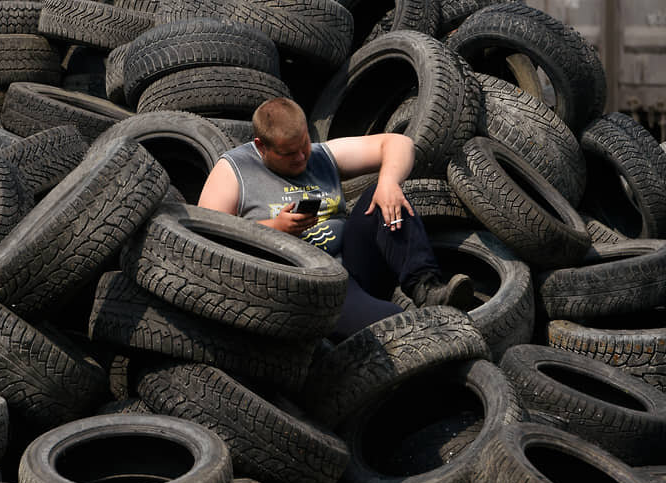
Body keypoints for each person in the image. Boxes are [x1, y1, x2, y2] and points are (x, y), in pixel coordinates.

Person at [197, 97, 472, 341]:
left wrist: (389, 182)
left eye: (304, 144)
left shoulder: (319, 155)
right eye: (289, 153)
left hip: (355, 268)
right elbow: (209, 239)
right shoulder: (234, 170)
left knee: (381, 196)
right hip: (307, 289)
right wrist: (273, 229)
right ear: (261, 147)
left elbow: (398, 143)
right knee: (400, 325)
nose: (301, 156)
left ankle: (427, 288)